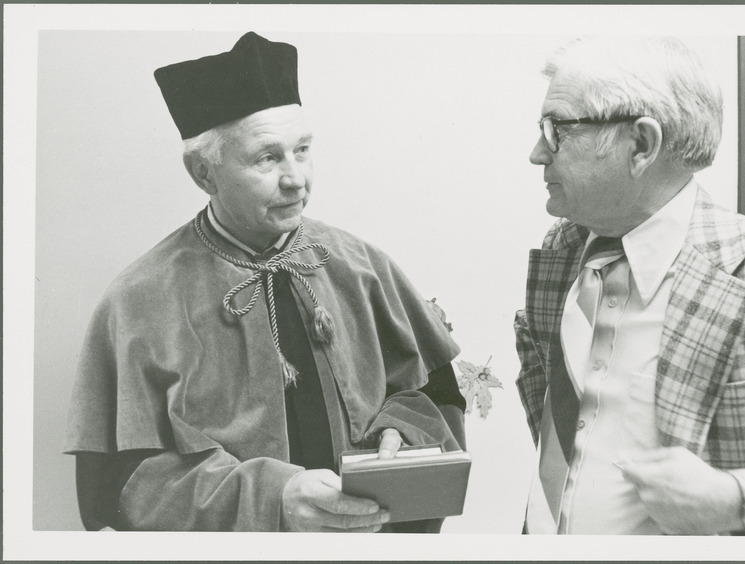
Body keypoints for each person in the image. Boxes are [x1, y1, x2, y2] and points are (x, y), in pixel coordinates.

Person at [63, 31, 466, 533]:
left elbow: (436, 399)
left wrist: (402, 433)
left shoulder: (361, 264)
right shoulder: (140, 298)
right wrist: (272, 499)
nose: (296, 178)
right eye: (267, 158)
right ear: (203, 172)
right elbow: (121, 485)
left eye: (302, 150)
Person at [514, 36, 745, 535]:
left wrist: (739, 500)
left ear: (642, 145)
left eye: (558, 129)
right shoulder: (562, 249)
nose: (537, 153)